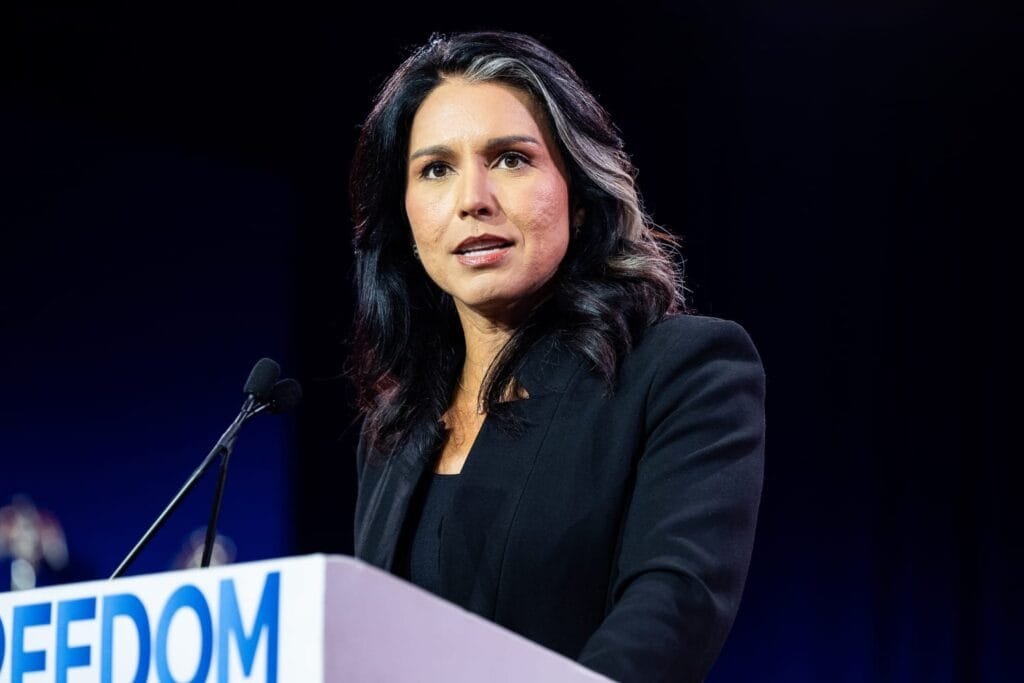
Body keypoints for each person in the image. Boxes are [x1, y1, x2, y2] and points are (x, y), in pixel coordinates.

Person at [348, 31, 765, 683]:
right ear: (402, 213)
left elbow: (670, 611)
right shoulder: (396, 426)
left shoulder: (681, 370)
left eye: (511, 159)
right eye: (436, 169)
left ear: (576, 181)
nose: (472, 199)